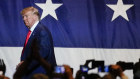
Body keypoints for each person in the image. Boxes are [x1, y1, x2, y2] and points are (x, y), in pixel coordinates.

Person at [16, 6, 57, 79]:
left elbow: (42, 54)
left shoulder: (41, 31)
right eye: (23, 17)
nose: (24, 19)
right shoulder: (34, 31)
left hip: (41, 74)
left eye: (26, 16)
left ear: (35, 16)